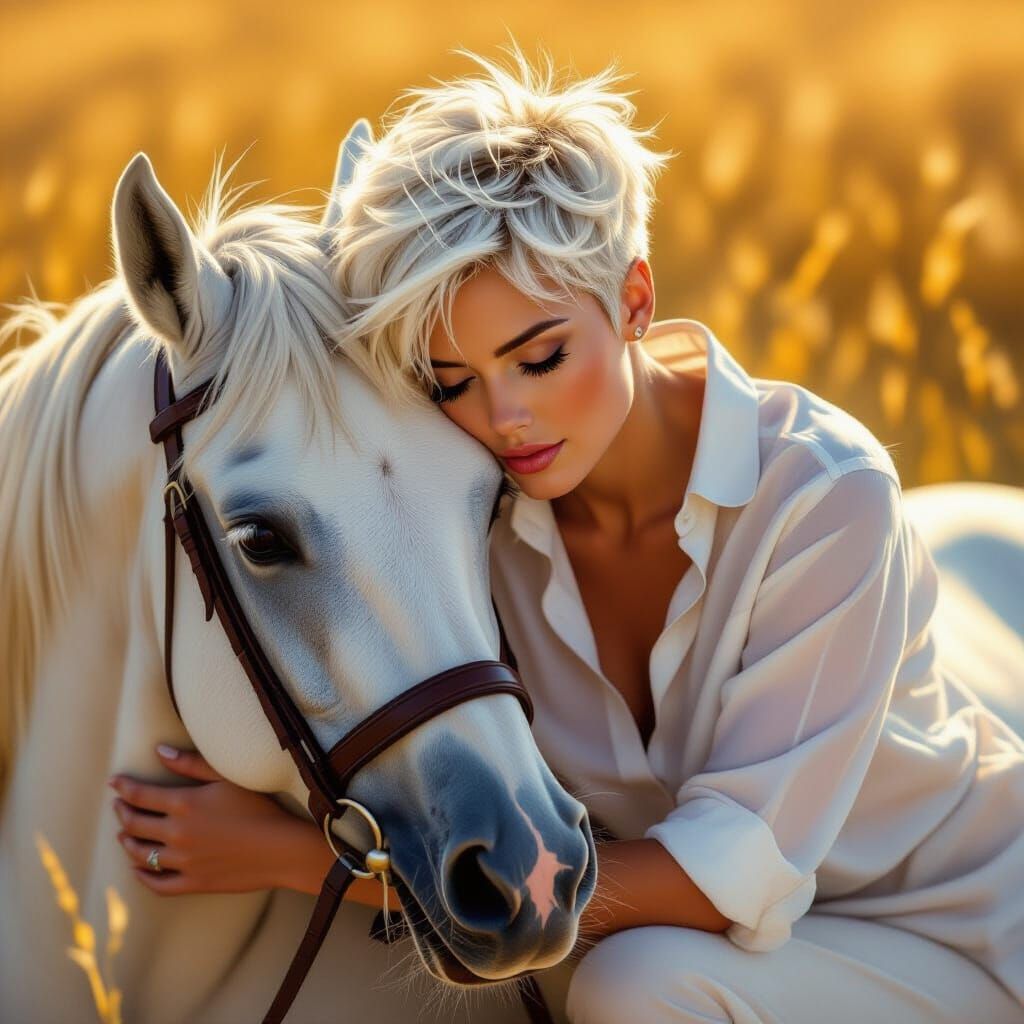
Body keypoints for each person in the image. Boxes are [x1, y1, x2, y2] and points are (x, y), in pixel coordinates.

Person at [108, 46, 1024, 1022]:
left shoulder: (823, 499)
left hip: (947, 934)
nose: (504, 417)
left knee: (637, 989)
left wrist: (298, 859)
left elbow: (717, 880)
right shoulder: (482, 518)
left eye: (538, 356)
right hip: (711, 942)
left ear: (633, 299)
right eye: (451, 380)